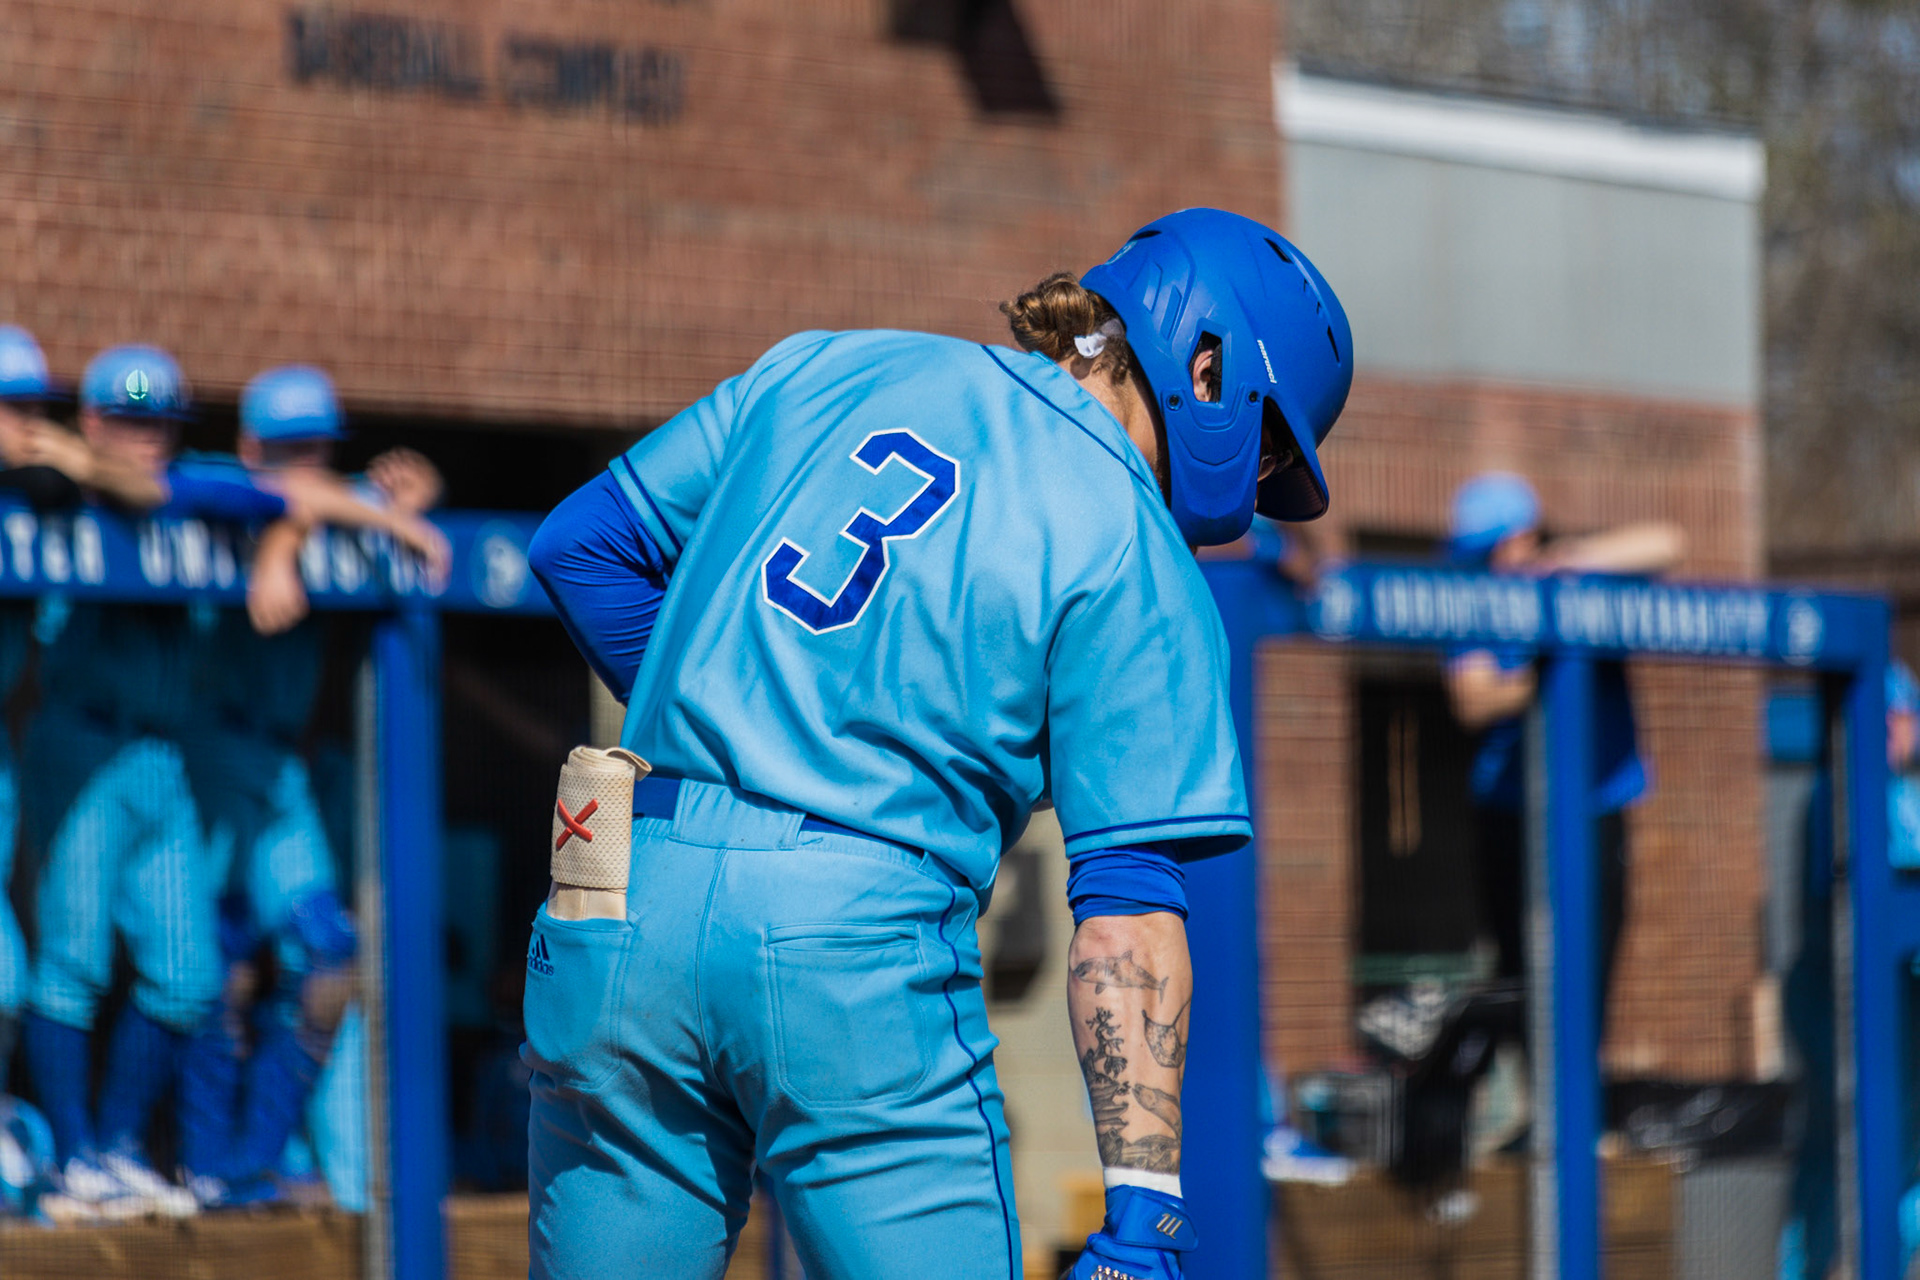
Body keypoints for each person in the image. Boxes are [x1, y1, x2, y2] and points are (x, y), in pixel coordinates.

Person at [523, 207, 1352, 1279]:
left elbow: (581, 545)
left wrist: (744, 731)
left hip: (627, 887)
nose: (1259, 479)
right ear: (1208, 361)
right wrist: (1146, 1208)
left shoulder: (831, 362)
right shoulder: (1138, 544)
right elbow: (1129, 920)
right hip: (848, 933)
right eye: (1274, 435)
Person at [19, 346, 442, 1219]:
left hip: (171, 753)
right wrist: (58, 454)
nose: (143, 439)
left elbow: (279, 494)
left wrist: (357, 513)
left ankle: (136, 1152)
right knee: (62, 970)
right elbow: (109, 487)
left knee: (193, 970)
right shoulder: (51, 480)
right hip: (86, 740)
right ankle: (74, 1157)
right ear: (92, 418)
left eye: (158, 423)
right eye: (125, 421)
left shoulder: (187, 479)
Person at [175, 365, 443, 1209]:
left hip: (278, 764)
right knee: (213, 967)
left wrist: (412, 493)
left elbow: (367, 491)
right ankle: (204, 1162)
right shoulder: (218, 480)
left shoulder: (333, 493)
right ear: (250, 444)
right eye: (282, 449)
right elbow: (284, 499)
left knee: (334, 955)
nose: (298, 463)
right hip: (204, 750)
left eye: (313, 447)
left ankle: (254, 1159)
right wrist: (293, 528)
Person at [1443, 473, 1682, 1034]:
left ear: (1528, 536)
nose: (1498, 560)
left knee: (1590, 971)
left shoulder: (1583, 582)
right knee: (1521, 975)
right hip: (1511, 812)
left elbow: (1669, 541)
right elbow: (1472, 700)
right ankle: (1539, 1105)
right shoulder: (1475, 599)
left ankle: (1583, 1111)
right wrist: (1546, 678)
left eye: (1504, 544)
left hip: (1595, 806)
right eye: (1483, 552)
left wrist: (1575, 560)